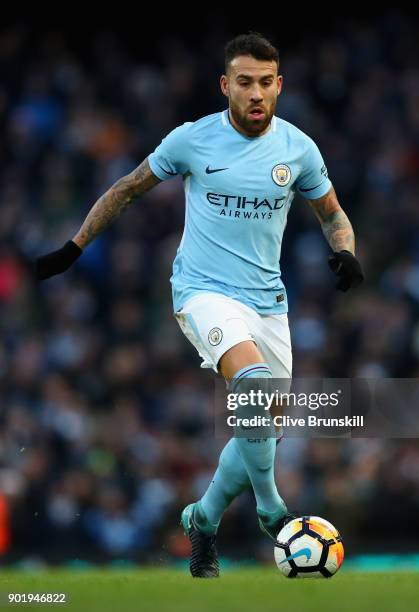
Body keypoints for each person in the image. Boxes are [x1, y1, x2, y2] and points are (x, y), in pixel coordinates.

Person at [35, 32, 364, 577]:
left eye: (265, 82)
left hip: (268, 304)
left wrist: (346, 251)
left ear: (278, 85)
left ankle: (203, 522)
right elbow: (127, 188)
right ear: (225, 85)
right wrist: (75, 246)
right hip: (203, 293)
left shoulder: (298, 149)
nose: (255, 93)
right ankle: (272, 510)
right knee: (253, 387)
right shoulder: (192, 140)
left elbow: (332, 214)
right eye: (244, 82)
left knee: (257, 427)